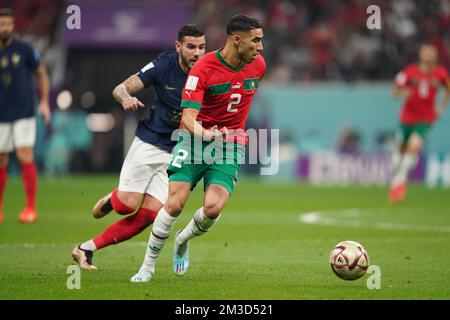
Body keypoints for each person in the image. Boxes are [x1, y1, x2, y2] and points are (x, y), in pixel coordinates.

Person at [130, 14, 265, 282]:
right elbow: (187, 120)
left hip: (229, 144)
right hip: (194, 140)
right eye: (256, 40)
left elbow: (236, 105)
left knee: (213, 208)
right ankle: (146, 267)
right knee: (175, 203)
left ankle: (183, 239)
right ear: (237, 40)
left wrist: (227, 135)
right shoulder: (203, 69)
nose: (260, 47)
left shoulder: (258, 65)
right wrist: (208, 134)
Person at [71, 25, 206, 270]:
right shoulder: (164, 65)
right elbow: (120, 88)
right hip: (150, 142)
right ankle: (115, 197)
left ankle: (86, 248)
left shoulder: (207, 72)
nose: (197, 53)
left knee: (148, 216)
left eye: (201, 47)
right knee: (125, 205)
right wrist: (126, 98)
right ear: (178, 47)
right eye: (191, 46)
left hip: (178, 151)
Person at [0, 8, 51, 224]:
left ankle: (30, 208)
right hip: (1, 113)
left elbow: (41, 74)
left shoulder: (24, 49)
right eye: (2, 24)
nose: (6, 28)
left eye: (9, 24)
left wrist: (45, 102)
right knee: (1, 159)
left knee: (24, 156)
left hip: (23, 112)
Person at [389, 44, 450, 203]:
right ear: (421, 55)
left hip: (426, 119)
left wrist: (441, 108)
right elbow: (394, 92)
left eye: (432, 54)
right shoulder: (409, 72)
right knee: (398, 156)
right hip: (407, 118)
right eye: (427, 53)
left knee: (413, 146)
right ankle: (400, 173)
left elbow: (448, 89)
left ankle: (399, 185)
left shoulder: (441, 74)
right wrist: (404, 92)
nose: (430, 56)